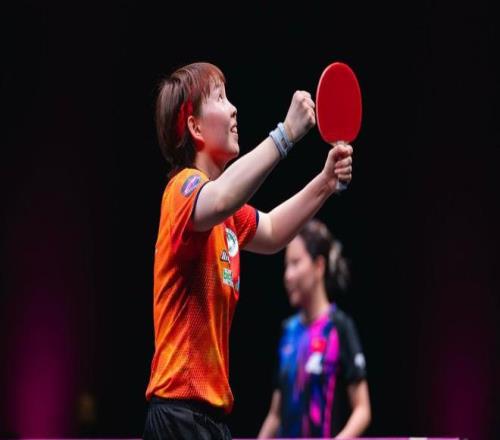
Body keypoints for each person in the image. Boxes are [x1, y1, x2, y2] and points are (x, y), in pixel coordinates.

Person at [143, 62, 354, 440]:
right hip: (178, 414)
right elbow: (221, 196)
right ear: (194, 127)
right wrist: (285, 135)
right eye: (220, 98)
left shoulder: (226, 215)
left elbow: (271, 231)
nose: (234, 109)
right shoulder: (181, 192)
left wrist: (324, 182)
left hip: (211, 419)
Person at [258, 219, 371, 439]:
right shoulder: (288, 331)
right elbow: (275, 415)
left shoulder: (339, 327)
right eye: (286, 266)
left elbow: (362, 410)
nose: (287, 275)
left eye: (295, 263)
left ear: (319, 266)